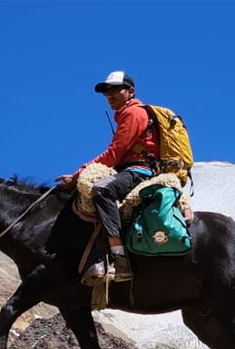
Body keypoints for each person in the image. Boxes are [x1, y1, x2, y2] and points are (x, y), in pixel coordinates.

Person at [56, 71, 159, 283]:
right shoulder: (126, 115)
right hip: (129, 170)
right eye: (106, 91)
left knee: (102, 189)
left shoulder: (133, 114)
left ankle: (119, 257)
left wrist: (78, 174)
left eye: (115, 89)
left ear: (131, 91)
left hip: (139, 171)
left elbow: (114, 154)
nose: (109, 94)